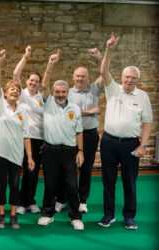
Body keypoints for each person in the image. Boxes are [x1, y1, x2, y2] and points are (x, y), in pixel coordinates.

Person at [98, 33, 153, 230]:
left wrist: (143, 145)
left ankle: (129, 217)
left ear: (137, 80)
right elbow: (104, 70)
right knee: (108, 181)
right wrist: (109, 49)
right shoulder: (113, 89)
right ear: (121, 78)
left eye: (133, 78)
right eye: (126, 77)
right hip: (109, 141)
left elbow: (147, 122)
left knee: (130, 182)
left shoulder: (143, 96)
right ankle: (108, 215)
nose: (129, 80)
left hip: (131, 144)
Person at [37, 50, 85, 231]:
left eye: (63, 91)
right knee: (50, 183)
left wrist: (80, 151)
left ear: (67, 92)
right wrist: (51, 63)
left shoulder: (75, 108)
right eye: (57, 91)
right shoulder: (48, 103)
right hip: (50, 150)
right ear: (53, 93)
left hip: (70, 151)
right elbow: (44, 83)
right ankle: (47, 214)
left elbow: (79, 132)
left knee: (72, 184)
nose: (60, 94)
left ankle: (75, 217)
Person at [0, 49, 34, 229]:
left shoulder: (23, 110)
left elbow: (26, 136)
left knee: (15, 185)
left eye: (17, 90)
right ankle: (1, 215)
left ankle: (13, 216)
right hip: (0, 153)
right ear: (6, 93)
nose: (15, 92)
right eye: (11, 89)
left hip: (17, 155)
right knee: (2, 184)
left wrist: (30, 157)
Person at [63, 49, 104, 214]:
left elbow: (105, 75)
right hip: (70, 135)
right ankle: (67, 198)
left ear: (87, 78)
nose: (80, 78)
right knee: (68, 168)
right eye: (77, 76)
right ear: (73, 78)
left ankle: (83, 200)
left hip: (89, 135)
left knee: (86, 168)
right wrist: (89, 111)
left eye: (83, 76)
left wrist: (100, 59)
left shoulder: (94, 89)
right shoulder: (67, 93)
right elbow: (68, 113)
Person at [13, 46, 44, 215]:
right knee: (21, 170)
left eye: (36, 81)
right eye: (31, 80)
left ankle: (30, 201)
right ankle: (18, 202)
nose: (33, 83)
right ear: (27, 81)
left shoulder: (42, 98)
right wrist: (26, 56)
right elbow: (15, 75)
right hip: (23, 138)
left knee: (33, 171)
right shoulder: (22, 94)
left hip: (39, 139)